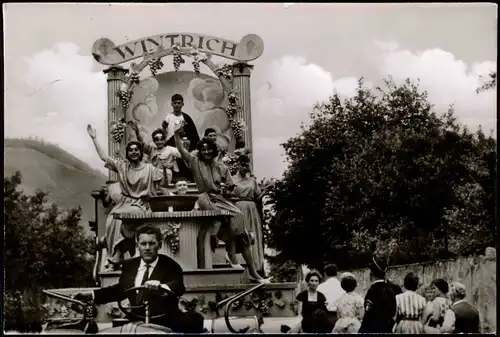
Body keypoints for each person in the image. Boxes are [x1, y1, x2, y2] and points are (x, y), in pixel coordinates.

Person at [73, 225, 204, 333]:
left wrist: (161, 287)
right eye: (143, 244)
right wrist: (90, 295)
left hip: (165, 319)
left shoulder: (170, 265)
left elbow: (178, 286)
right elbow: (120, 290)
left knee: (194, 320)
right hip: (136, 319)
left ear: (159, 245)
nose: (147, 248)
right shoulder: (130, 265)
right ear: (137, 245)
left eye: (152, 244)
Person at [87, 124, 163, 270]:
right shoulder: (123, 167)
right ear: (127, 154)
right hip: (124, 203)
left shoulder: (149, 168)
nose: (134, 152)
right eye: (130, 150)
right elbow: (104, 157)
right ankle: (115, 254)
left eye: (136, 150)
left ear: (140, 153)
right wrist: (94, 138)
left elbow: (162, 178)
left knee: (123, 217)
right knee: (112, 219)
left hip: (142, 205)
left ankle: (117, 255)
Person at [171, 121, 242, 253]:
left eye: (209, 149)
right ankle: (214, 237)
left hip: (219, 198)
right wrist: (176, 133)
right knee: (218, 215)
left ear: (213, 150)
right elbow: (181, 150)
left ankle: (227, 241)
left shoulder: (218, 166)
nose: (206, 152)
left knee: (238, 214)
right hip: (204, 197)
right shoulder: (195, 161)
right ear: (200, 151)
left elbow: (231, 187)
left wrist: (226, 190)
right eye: (203, 149)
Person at [228, 159, 269, 283]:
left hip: (251, 208)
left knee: (251, 237)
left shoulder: (252, 181)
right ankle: (234, 259)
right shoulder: (231, 179)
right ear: (237, 165)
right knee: (240, 234)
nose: (244, 167)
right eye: (242, 164)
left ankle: (256, 268)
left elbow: (257, 196)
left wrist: (266, 190)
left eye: (246, 165)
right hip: (237, 207)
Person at [162, 94, 200, 182]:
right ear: (172, 104)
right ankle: (174, 178)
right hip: (170, 143)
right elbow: (165, 133)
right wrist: (163, 128)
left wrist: (183, 133)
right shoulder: (168, 117)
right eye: (175, 103)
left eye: (179, 103)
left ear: (182, 104)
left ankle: (186, 177)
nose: (177, 105)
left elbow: (193, 135)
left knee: (183, 159)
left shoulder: (186, 117)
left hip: (183, 144)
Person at [359, 255, 401, 333]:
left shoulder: (373, 291)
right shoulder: (394, 288)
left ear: (371, 274)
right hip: (389, 328)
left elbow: (368, 316)